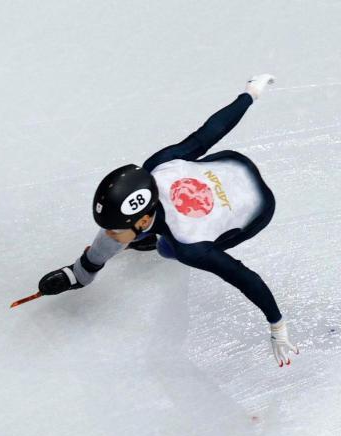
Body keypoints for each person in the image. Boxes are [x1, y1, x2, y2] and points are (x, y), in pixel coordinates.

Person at [36, 74, 300, 367]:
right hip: (231, 163)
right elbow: (208, 133)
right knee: (128, 238)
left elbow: (242, 277)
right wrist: (249, 94)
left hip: (257, 211)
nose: (110, 233)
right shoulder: (158, 168)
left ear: (145, 218)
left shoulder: (191, 244)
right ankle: (92, 266)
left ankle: (150, 243)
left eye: (119, 228)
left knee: (167, 250)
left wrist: (277, 325)